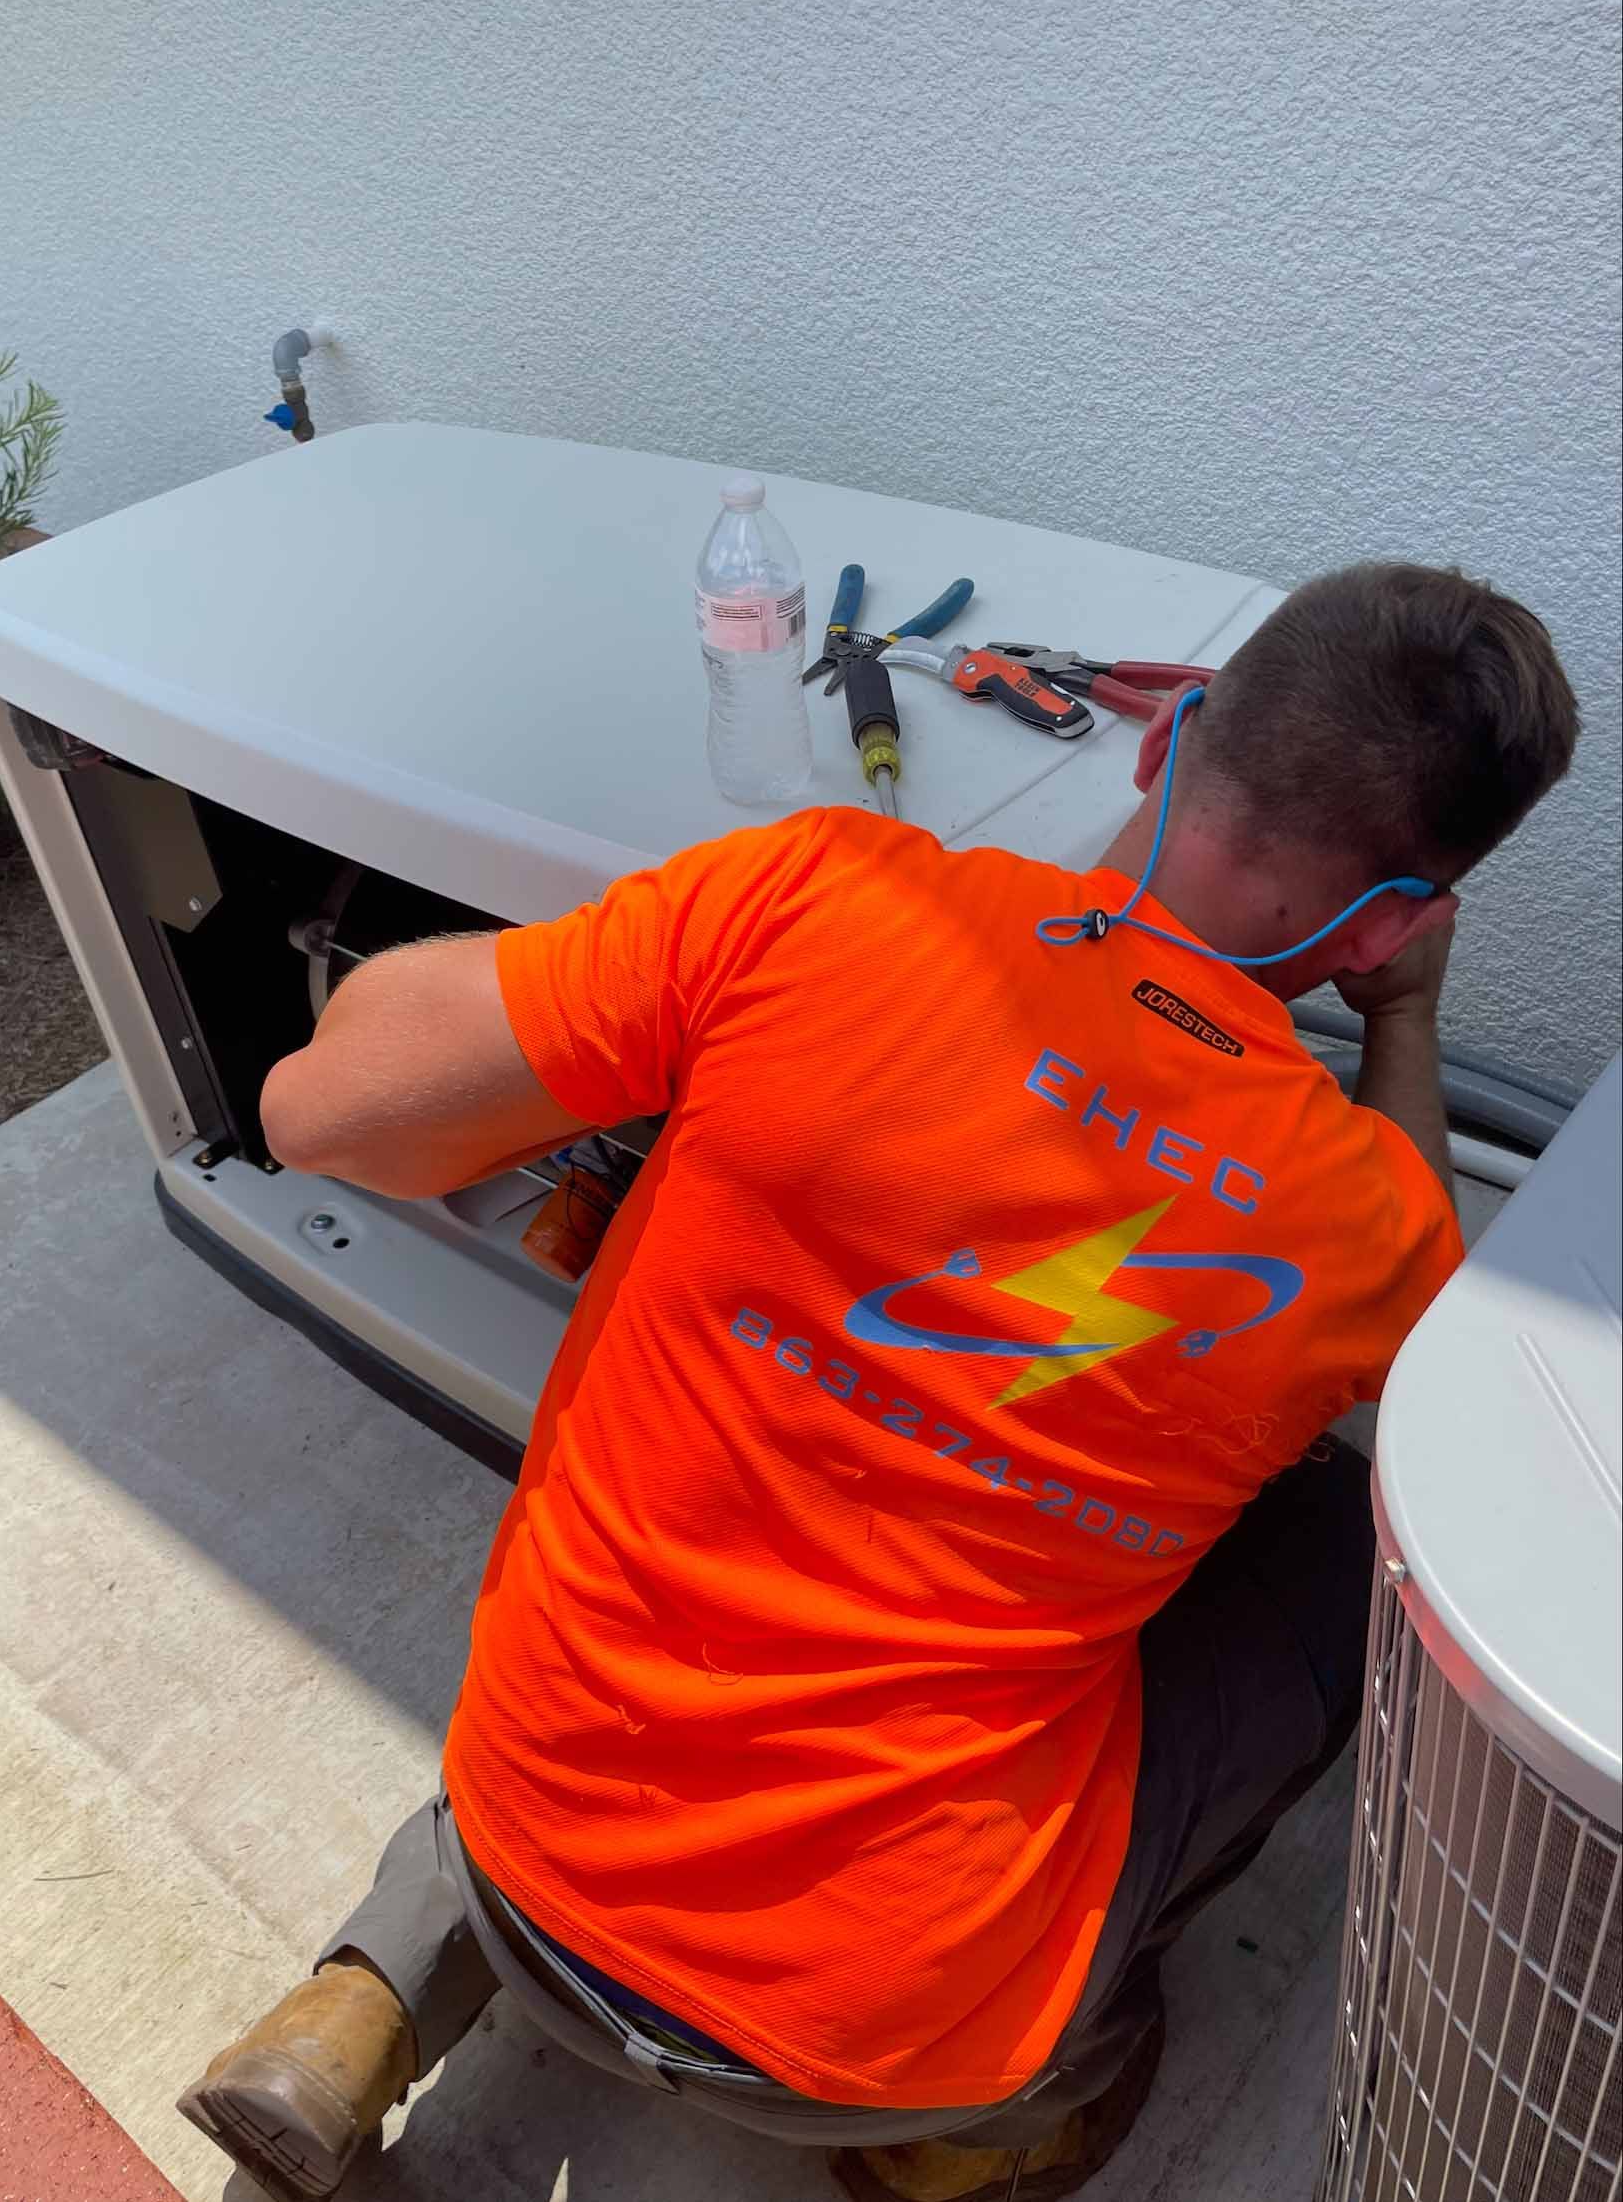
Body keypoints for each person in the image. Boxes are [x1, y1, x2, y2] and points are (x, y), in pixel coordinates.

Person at [179, 562, 1577, 2202]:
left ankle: (376, 1987)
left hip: (522, 1830)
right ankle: (970, 2134)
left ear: (1161, 742)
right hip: (882, 2032)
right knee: (1357, 1553)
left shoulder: (831, 900)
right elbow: (1448, 1372)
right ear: (1398, 923)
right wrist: (1404, 1022)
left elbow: (316, 1114)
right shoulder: (1358, 1223)